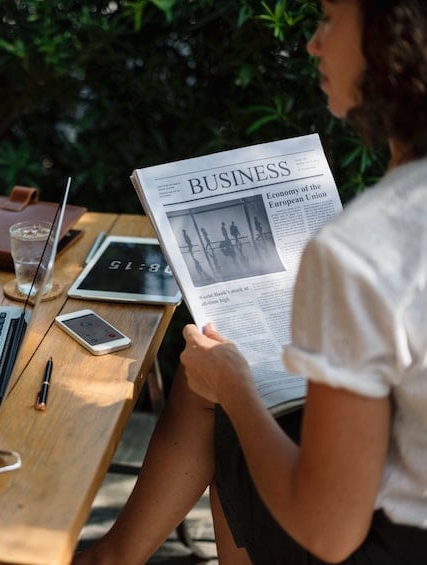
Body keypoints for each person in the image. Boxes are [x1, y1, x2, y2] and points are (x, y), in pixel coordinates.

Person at [74, 1, 427, 563]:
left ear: (393, 39)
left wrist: (238, 390)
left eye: (330, 17)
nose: (313, 42)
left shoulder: (365, 247)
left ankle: (113, 557)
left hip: (389, 542)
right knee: (218, 369)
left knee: (226, 396)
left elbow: (329, 533)